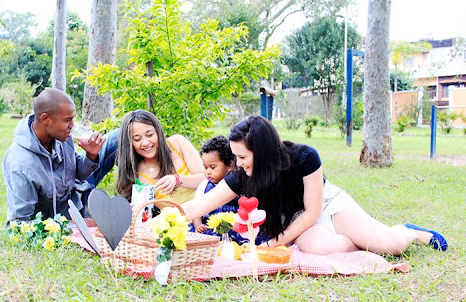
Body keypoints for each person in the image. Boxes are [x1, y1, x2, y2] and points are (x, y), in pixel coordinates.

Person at [182, 115, 447, 255]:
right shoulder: (242, 175)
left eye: (242, 157)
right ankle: (362, 238)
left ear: (261, 152)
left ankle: (408, 232)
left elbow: (313, 211)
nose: (237, 164)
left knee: (391, 247)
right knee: (315, 249)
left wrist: (272, 244)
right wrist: (166, 219)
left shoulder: (304, 157)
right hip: (300, 220)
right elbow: (200, 205)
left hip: (328, 206)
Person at [2, 88, 116, 224]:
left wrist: (91, 155)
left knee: (118, 136)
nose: (72, 126)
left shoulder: (61, 135)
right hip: (59, 221)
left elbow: (77, 174)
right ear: (46, 119)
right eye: (68, 120)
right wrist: (73, 226)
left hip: (77, 200)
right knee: (109, 224)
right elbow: (19, 224)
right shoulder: (21, 162)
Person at [115, 109, 204, 204]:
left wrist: (177, 180)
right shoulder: (137, 176)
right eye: (137, 139)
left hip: (206, 209)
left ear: (158, 132)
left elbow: (205, 179)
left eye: (150, 135)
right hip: (175, 218)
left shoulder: (177, 143)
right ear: (130, 144)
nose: (145, 143)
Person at [190, 136, 247, 245]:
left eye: (213, 167)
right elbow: (195, 210)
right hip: (209, 230)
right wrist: (198, 225)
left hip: (233, 230)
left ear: (229, 165)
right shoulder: (204, 185)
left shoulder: (237, 184)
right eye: (205, 167)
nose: (208, 172)